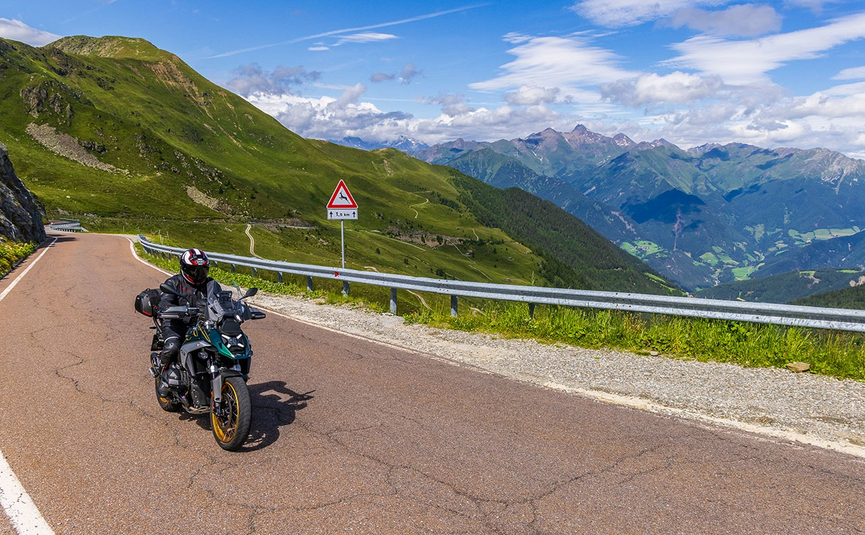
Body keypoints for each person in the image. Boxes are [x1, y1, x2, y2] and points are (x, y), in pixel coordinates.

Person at [153, 248, 220, 396]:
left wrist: (236, 308)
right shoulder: (173, 282)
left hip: (203, 325)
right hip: (177, 324)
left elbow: (221, 300)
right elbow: (164, 304)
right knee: (172, 346)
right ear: (184, 268)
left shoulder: (211, 284)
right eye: (194, 270)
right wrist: (175, 309)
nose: (198, 274)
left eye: (202, 270)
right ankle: (162, 375)